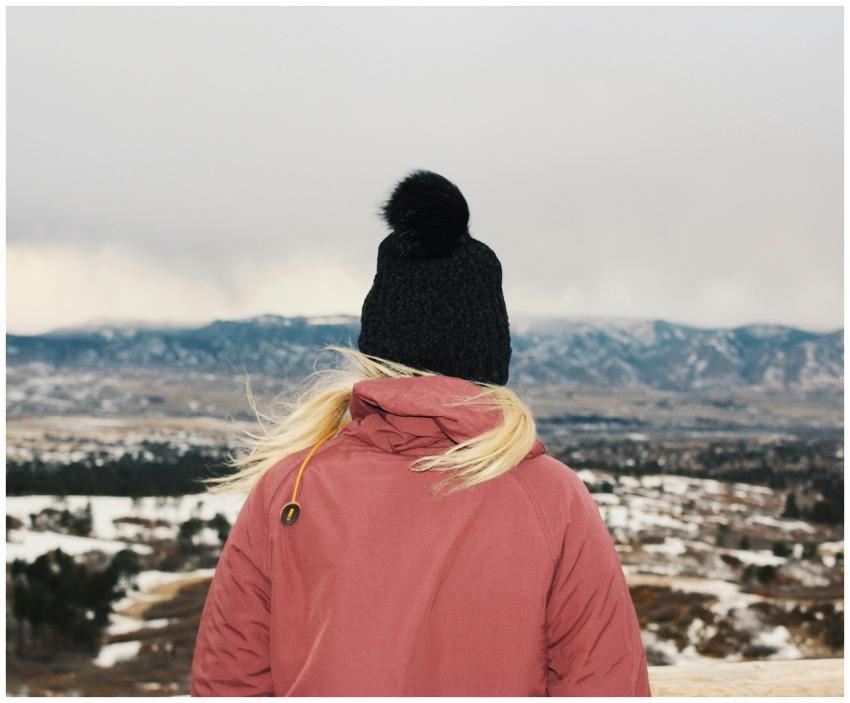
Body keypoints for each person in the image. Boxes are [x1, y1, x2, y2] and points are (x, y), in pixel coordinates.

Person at [190, 170, 651, 697]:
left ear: (374, 349)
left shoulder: (290, 487)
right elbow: (605, 684)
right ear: (490, 352)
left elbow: (228, 680)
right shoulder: (554, 497)